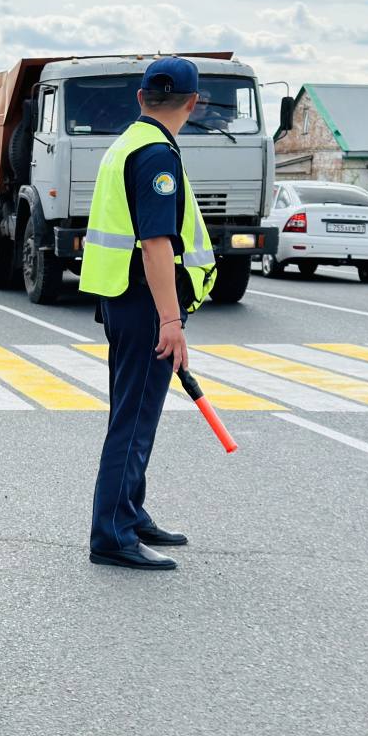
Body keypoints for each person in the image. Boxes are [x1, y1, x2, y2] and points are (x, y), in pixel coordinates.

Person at [78, 56, 218, 571]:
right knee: (134, 420)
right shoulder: (157, 154)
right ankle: (112, 534)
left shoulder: (128, 142)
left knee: (132, 412)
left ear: (140, 98)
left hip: (123, 298)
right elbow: (156, 243)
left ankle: (130, 513)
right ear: (193, 103)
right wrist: (171, 321)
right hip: (145, 304)